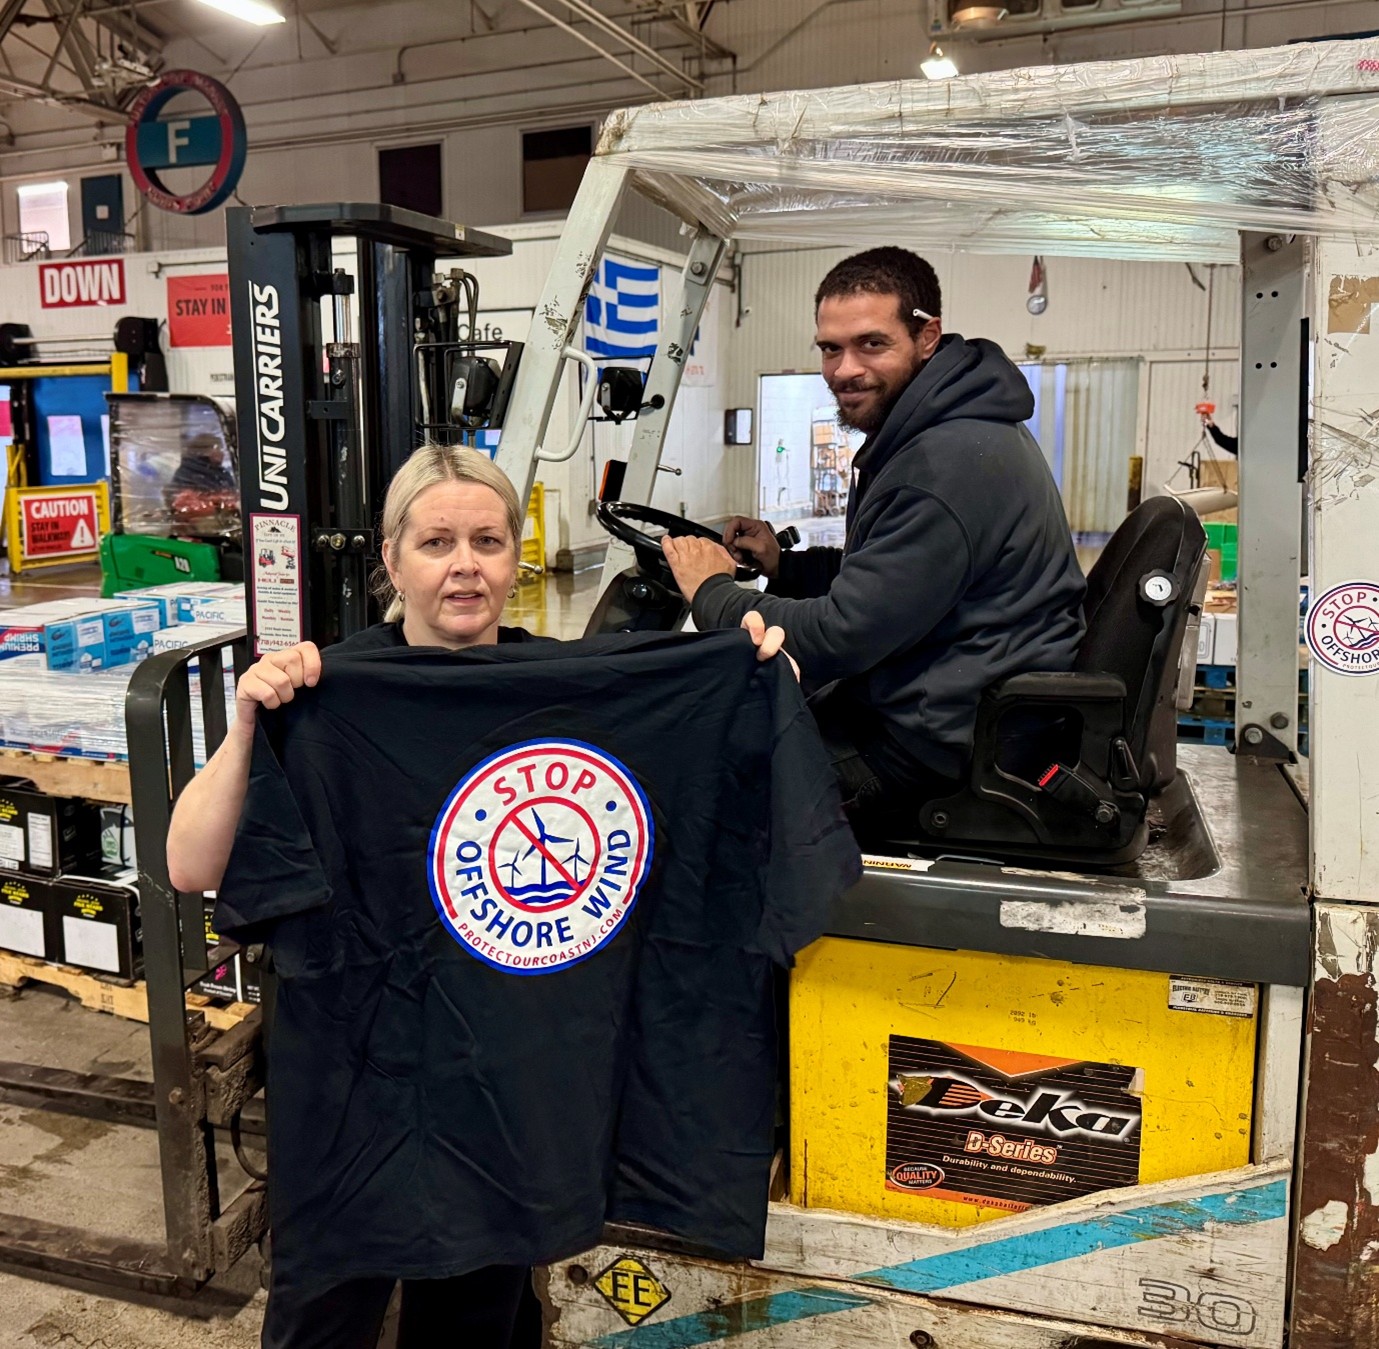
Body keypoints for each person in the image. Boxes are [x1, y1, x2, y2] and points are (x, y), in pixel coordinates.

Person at [166, 444, 788, 1349]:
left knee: (478, 1310)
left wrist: (757, 673)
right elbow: (189, 865)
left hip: (505, 1079)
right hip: (359, 1077)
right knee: (325, 1308)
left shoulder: (577, 693)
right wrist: (249, 724)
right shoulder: (326, 692)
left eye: (488, 540)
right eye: (438, 541)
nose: (465, 564)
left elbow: (731, 774)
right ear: (392, 561)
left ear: (515, 555)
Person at [661, 247, 1087, 830]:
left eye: (872, 344)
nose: (844, 370)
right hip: (936, 708)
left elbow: (842, 636)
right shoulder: (935, 433)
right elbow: (889, 580)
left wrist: (711, 591)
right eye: (831, 349)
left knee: (692, 785)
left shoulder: (947, 463)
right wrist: (784, 565)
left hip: (934, 750)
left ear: (926, 336)